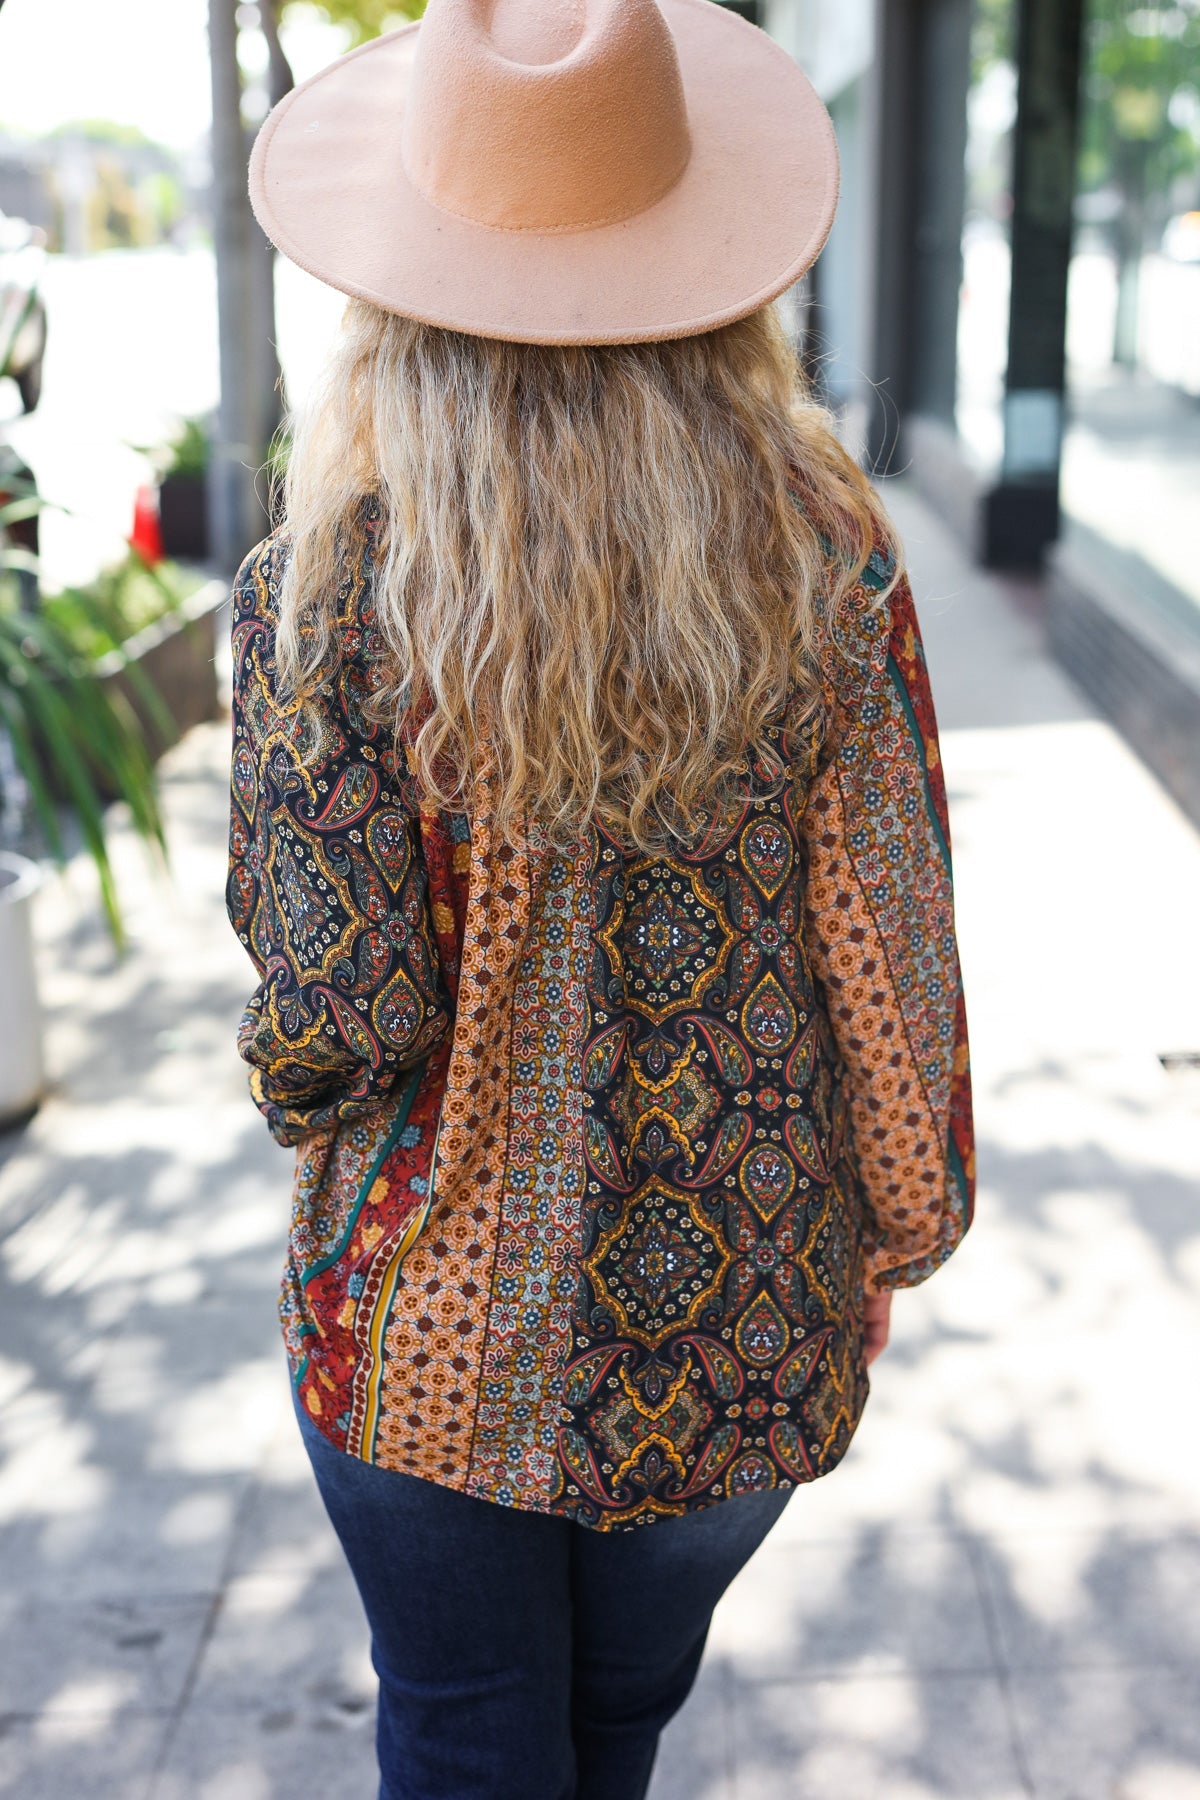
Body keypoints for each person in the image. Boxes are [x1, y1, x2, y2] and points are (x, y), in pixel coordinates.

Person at [226, 1, 975, 1795]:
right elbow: (893, 961)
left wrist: (288, 1086)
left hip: (428, 1340)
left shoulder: (325, 595)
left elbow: (342, 1026)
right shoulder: (826, 560)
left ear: (398, 292)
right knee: (613, 1731)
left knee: (465, 1732)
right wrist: (894, 1236)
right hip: (737, 1332)